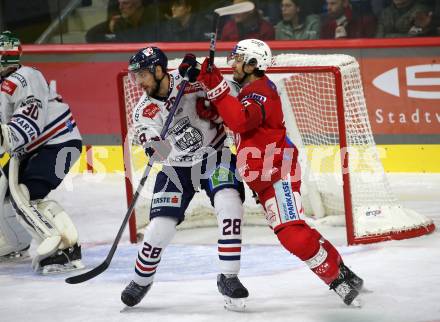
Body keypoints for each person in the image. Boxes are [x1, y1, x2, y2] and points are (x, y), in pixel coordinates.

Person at [195, 38, 364, 306]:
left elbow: (240, 120)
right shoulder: (250, 91)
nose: (233, 63)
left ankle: (337, 281)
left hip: (277, 172)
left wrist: (215, 85)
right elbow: (231, 111)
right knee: (293, 229)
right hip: (265, 175)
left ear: (253, 64)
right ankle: (345, 274)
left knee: (291, 234)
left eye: (239, 59)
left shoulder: (261, 91)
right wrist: (203, 79)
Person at [120, 47, 249, 310]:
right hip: (176, 168)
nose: (139, 83)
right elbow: (155, 145)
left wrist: (207, 83)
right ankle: (141, 280)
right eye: (136, 77)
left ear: (158, 70)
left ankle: (228, 276)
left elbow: (231, 98)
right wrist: (155, 147)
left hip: (215, 154)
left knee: (230, 204)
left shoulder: (190, 81)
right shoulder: (143, 110)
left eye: (142, 75)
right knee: (159, 228)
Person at [0, 31, 83, 274]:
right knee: (5, 187)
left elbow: (29, 122)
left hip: (62, 144)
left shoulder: (25, 77)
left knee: (25, 194)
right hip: (34, 149)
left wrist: (7, 136)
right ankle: (14, 241)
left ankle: (65, 250)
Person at [85, 0, 159, 43]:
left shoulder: (157, 23)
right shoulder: (118, 23)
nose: (120, 7)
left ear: (139, 3)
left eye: (125, 3)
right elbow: (91, 36)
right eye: (119, 3)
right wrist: (110, 29)